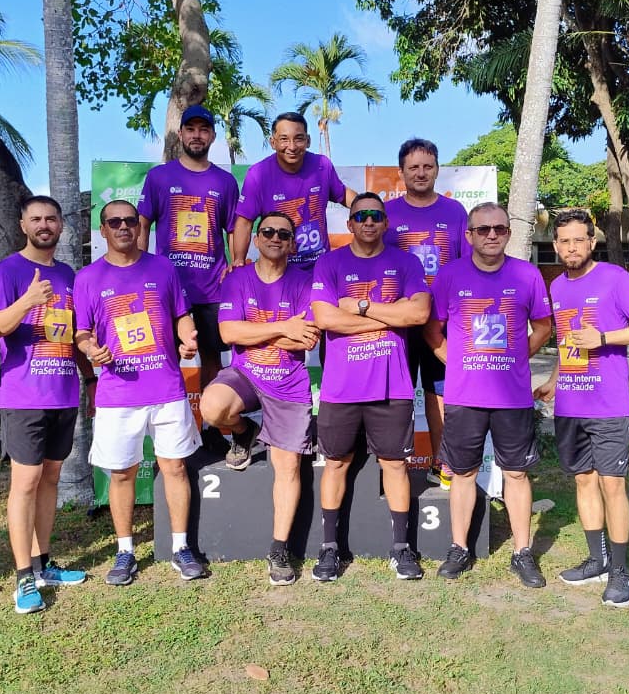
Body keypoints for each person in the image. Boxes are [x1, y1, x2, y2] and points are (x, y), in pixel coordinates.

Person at [533, 208, 629, 608]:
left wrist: (604, 337)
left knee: (612, 485)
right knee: (583, 482)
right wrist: (554, 380)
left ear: (592, 242)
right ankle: (597, 560)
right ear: (556, 246)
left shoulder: (614, 278)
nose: (572, 247)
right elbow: (568, 340)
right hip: (570, 405)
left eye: (579, 240)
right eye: (564, 241)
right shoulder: (556, 286)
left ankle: (620, 571)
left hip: (607, 405)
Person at [73, 199, 204, 586]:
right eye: (114, 222)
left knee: (175, 468)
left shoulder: (163, 268)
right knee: (121, 474)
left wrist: (188, 339)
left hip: (167, 389)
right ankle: (125, 551)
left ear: (139, 226)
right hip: (118, 394)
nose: (123, 227)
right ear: (103, 230)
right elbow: (81, 332)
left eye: (130, 220)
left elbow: (181, 315)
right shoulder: (88, 278)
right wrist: (90, 349)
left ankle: (181, 547)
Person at [425, 202, 553, 585]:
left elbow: (544, 327)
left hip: (512, 398)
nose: (492, 235)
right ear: (469, 236)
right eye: (483, 229)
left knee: (516, 473)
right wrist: (457, 363)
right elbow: (432, 331)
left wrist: (517, 358)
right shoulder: (449, 275)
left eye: (499, 228)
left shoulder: (527, 274)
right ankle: (459, 548)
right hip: (464, 397)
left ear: (509, 233)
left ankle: (522, 552)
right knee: (462, 473)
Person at [309, 192, 430, 581]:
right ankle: (330, 549)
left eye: (376, 215)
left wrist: (361, 308)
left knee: (395, 465)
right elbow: (326, 319)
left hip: (392, 385)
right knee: (336, 464)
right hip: (341, 387)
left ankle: (401, 548)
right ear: (350, 224)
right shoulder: (329, 263)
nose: (369, 221)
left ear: (385, 222)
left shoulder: (406, 262)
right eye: (361, 216)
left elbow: (419, 313)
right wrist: (392, 317)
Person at [199, 211, 320, 586]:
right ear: (256, 239)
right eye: (267, 231)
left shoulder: (305, 281)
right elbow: (228, 332)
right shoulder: (238, 279)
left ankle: (279, 549)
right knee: (211, 406)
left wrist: (253, 331)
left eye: (283, 234)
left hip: (288, 383)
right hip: (246, 375)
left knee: (288, 467)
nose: (275, 238)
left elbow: (306, 338)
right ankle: (243, 431)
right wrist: (283, 327)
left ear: (293, 243)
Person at [0, 195, 87, 615]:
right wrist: (27, 301)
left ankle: (43, 563)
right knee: (25, 483)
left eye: (51, 219)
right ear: (23, 225)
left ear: (61, 225)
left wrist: (91, 376)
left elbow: (76, 333)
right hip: (24, 397)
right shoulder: (8, 271)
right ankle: (24, 576)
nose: (44, 225)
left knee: (50, 479)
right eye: (36, 219)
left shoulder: (68, 274)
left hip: (63, 393)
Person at [383, 138, 468, 491]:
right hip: (399, 323)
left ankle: (442, 463)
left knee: (440, 395)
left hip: (443, 323)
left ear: (437, 170)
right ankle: (392, 467)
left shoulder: (455, 212)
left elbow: (466, 267)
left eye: (427, 166)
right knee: (395, 397)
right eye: (413, 167)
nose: (421, 173)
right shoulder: (386, 214)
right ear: (401, 172)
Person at [137, 104, 240, 394]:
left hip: (212, 289)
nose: (197, 135)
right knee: (165, 357)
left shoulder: (225, 182)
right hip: (167, 286)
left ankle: (210, 420)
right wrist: (141, 269)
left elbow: (233, 229)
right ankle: (168, 418)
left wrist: (235, 265)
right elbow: (142, 224)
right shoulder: (159, 177)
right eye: (191, 129)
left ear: (213, 136)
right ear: (180, 134)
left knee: (212, 358)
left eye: (203, 130)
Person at [231, 112, 356, 270]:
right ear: (273, 142)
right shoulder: (258, 174)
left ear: (308, 141)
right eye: (284, 139)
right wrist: (239, 260)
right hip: (279, 270)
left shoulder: (322, 165)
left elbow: (343, 195)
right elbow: (244, 222)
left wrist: (373, 209)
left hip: (319, 270)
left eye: (298, 139)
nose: (292, 147)